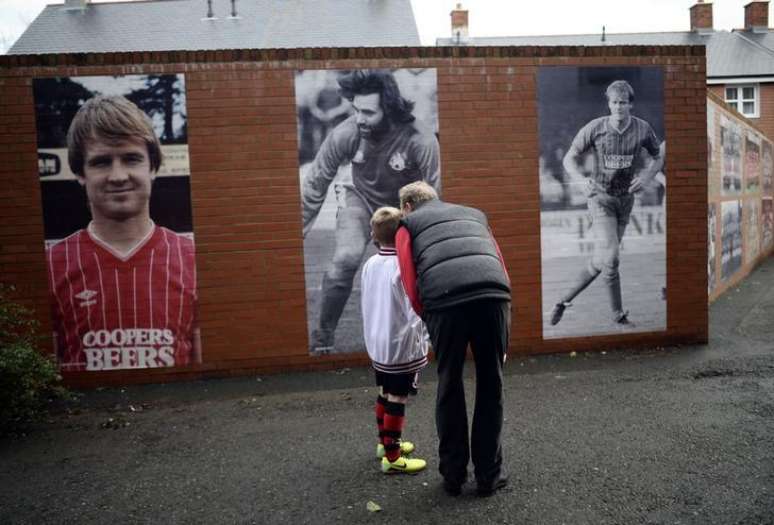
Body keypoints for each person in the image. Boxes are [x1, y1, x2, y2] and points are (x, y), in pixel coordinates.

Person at [46, 95, 201, 372]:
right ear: (80, 173)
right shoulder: (50, 267)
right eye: (101, 162)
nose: (118, 176)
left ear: (152, 167)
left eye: (131, 159)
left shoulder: (195, 261)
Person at [301, 69, 441, 354]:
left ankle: (431, 334)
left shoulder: (420, 139)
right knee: (345, 259)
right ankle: (322, 340)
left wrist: (433, 244)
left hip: (406, 208)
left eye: (368, 112)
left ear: (389, 110)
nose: (359, 118)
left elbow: (434, 196)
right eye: (356, 110)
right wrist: (293, 237)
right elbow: (315, 184)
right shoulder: (348, 132)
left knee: (422, 268)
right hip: (359, 200)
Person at [395, 181, 511, 497]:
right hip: (494, 296)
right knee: (491, 383)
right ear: (435, 198)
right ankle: (489, 475)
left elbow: (409, 278)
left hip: (446, 304)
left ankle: (454, 475)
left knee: (450, 382)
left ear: (407, 207)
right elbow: (498, 262)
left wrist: (429, 316)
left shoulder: (407, 224)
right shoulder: (475, 215)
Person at [551, 80, 663, 328]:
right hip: (600, 199)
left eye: (623, 103)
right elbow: (569, 158)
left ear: (630, 104)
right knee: (611, 258)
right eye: (614, 102)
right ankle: (618, 316)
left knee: (602, 261)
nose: (619, 107)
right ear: (609, 104)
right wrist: (580, 181)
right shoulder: (595, 128)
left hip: (626, 201)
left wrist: (646, 176)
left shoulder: (643, 129)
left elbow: (658, 157)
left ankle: (563, 300)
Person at [360, 207, 429, 474]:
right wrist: (425, 338)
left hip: (377, 342)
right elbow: (414, 309)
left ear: (374, 235)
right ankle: (392, 457)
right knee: (397, 398)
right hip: (400, 346)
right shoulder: (403, 267)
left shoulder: (369, 264)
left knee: (384, 392)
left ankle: (384, 443)